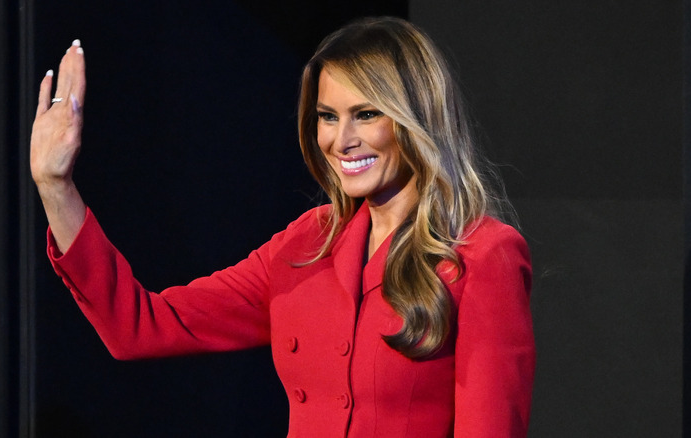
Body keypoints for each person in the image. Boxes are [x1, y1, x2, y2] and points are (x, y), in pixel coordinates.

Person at [31, 17, 535, 438]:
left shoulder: (482, 256)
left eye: (365, 114)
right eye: (327, 117)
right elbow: (139, 327)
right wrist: (57, 187)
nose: (342, 140)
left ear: (415, 117)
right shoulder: (306, 244)